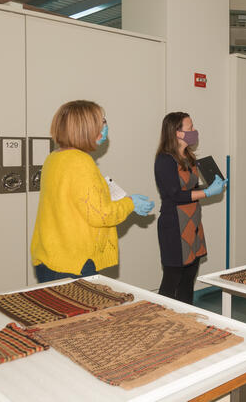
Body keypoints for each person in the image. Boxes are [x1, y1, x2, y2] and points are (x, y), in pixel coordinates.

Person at [31, 100, 155, 283]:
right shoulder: (81, 162)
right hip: (74, 261)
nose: (105, 126)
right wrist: (130, 203)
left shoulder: (54, 158)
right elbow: (101, 214)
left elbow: (77, 204)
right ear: (86, 127)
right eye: (102, 121)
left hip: (52, 256)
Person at [154, 112, 227, 304]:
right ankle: (161, 323)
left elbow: (191, 188)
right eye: (190, 128)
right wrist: (208, 193)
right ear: (177, 133)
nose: (194, 131)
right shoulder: (164, 160)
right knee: (172, 279)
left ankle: (187, 321)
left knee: (188, 279)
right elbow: (176, 195)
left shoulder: (188, 156)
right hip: (174, 226)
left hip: (192, 223)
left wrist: (211, 186)